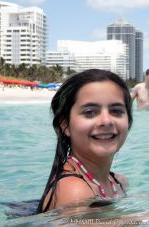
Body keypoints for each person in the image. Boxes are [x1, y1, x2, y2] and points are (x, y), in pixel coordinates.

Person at [37, 69, 133, 213]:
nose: (106, 121)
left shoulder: (118, 182)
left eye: (116, 111)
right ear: (65, 126)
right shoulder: (76, 191)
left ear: (129, 121)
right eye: (90, 112)